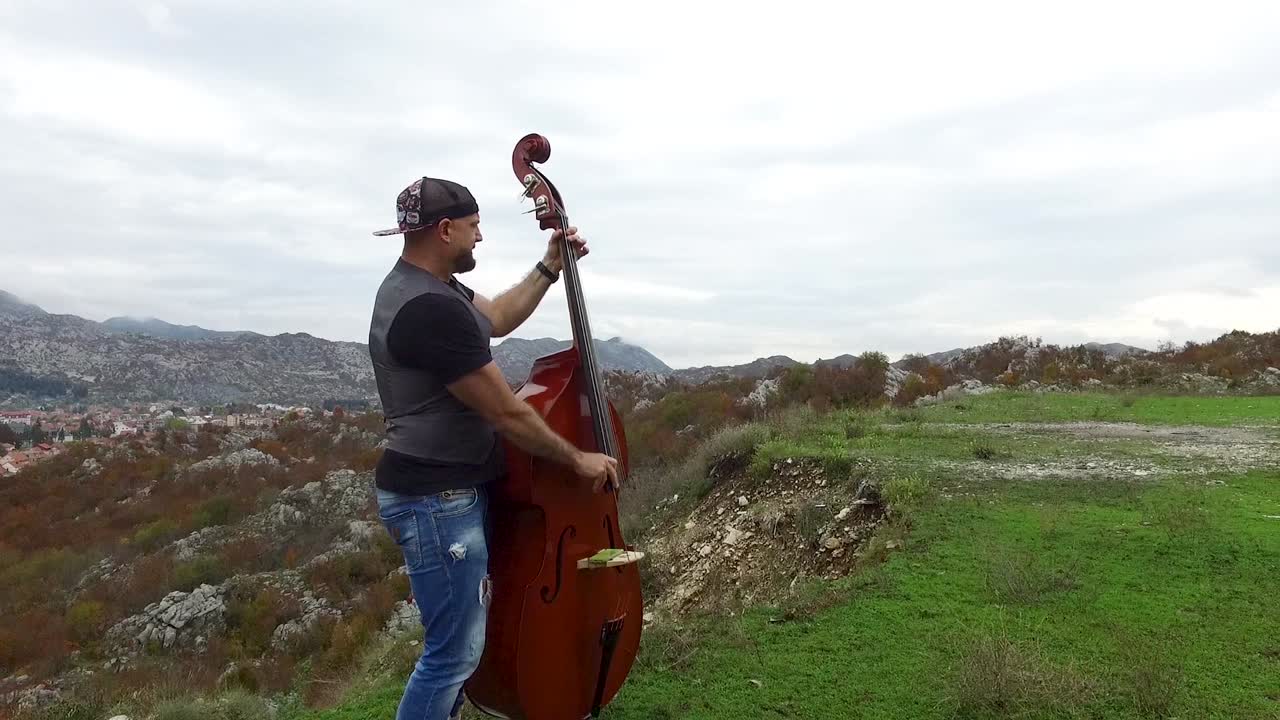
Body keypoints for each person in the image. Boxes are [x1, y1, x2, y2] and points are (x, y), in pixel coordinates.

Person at [367, 176, 619, 720]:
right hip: (437, 499)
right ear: (445, 229)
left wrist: (549, 266)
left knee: (458, 649)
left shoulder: (425, 287)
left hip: (441, 493)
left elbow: (499, 317)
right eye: (475, 225)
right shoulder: (428, 309)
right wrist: (578, 459)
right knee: (451, 657)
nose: (480, 237)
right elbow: (505, 411)